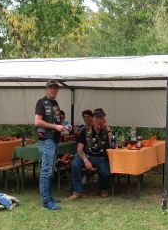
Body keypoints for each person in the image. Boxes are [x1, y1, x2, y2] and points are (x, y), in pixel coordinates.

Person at [34, 79, 64, 210]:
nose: (53, 89)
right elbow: (37, 122)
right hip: (46, 140)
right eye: (50, 87)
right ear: (46, 89)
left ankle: (49, 197)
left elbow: (56, 121)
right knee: (46, 171)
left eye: (55, 87)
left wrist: (63, 126)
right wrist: (55, 127)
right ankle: (45, 202)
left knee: (50, 170)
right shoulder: (41, 102)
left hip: (54, 140)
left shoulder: (55, 104)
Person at [70, 108, 111, 200]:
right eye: (97, 118)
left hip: (101, 158)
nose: (100, 121)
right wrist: (86, 160)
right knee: (75, 164)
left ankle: (104, 189)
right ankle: (77, 191)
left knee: (105, 173)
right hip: (87, 156)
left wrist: (108, 130)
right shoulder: (85, 131)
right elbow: (79, 149)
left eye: (102, 118)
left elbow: (113, 145)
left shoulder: (106, 132)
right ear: (93, 119)